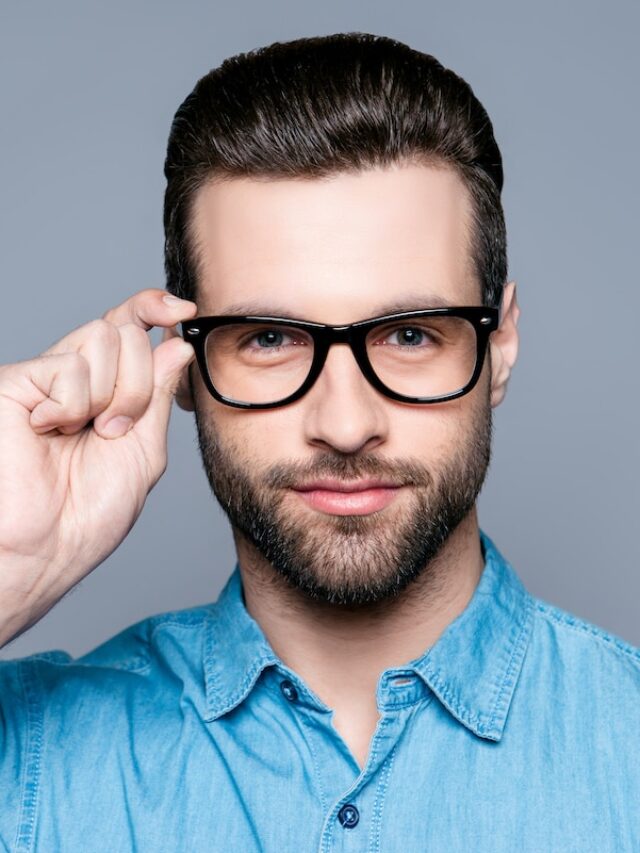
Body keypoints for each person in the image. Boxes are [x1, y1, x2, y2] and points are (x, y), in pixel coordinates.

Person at [0, 31, 638, 852]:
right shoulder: (32, 769)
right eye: (269, 337)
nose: (344, 424)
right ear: (184, 362)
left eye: (410, 334)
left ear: (500, 346)